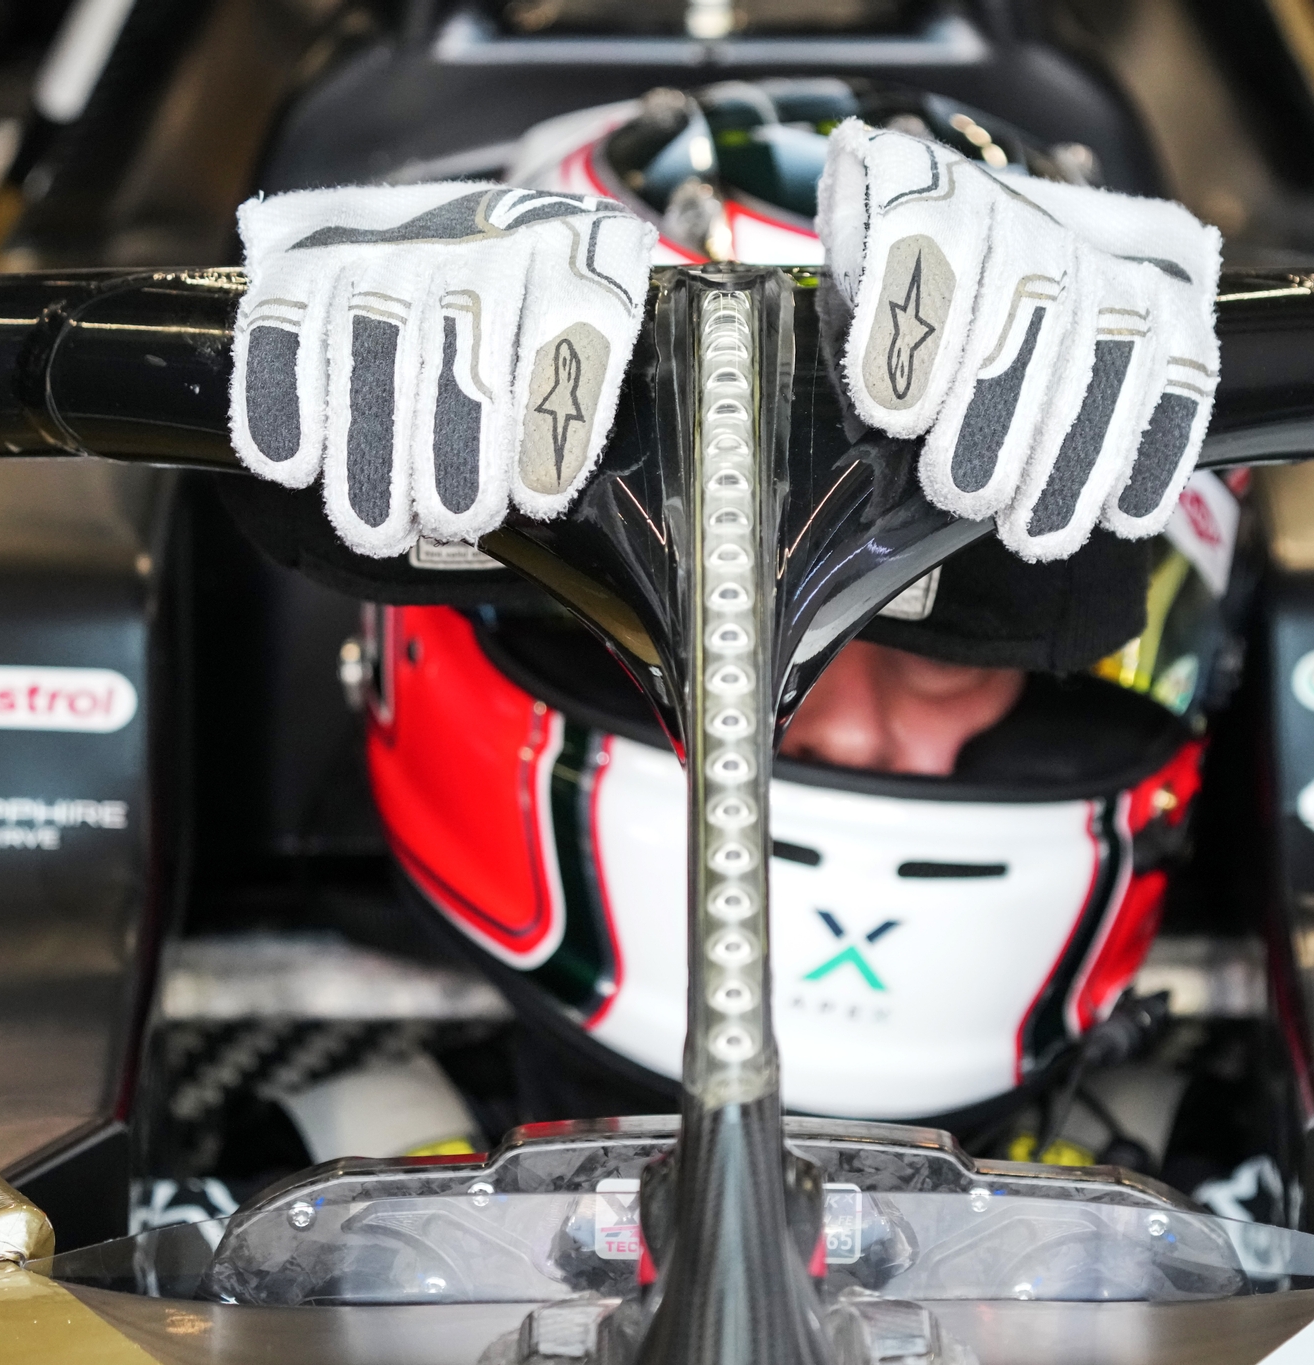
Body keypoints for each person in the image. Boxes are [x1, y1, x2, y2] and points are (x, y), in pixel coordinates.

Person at [220, 82, 1237, 1169]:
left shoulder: (1227, 1177)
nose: (834, 725)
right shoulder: (290, 1183)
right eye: (726, 626)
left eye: (937, 651)